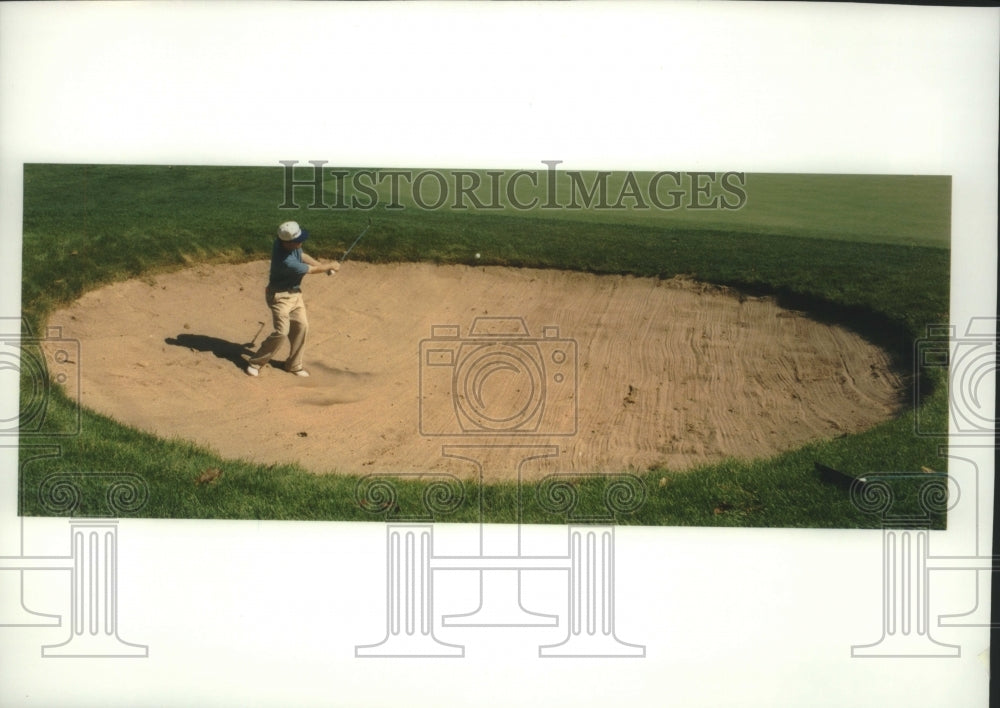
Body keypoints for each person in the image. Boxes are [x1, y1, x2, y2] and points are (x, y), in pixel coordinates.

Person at [245, 221, 339, 377]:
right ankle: (255, 362)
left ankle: (294, 365)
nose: (301, 242)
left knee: (302, 326)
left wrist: (323, 266)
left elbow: (303, 255)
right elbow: (312, 270)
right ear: (287, 243)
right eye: (298, 240)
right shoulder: (286, 262)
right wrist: (330, 266)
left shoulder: (284, 243)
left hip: (295, 294)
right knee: (282, 332)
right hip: (279, 297)